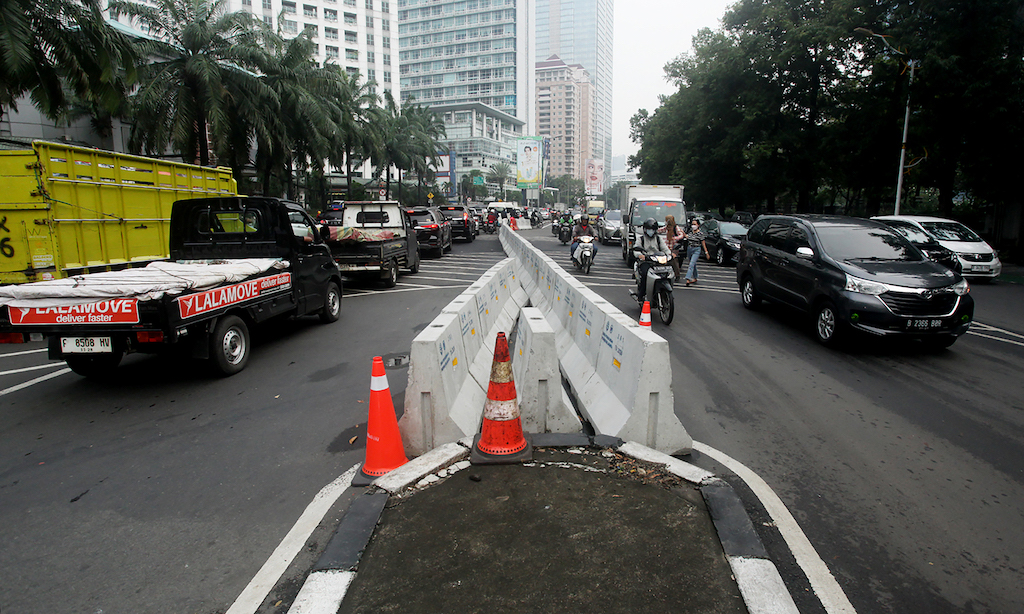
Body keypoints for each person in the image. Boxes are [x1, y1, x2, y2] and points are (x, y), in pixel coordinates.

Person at [632, 218, 670, 302]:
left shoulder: (658, 239)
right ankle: (641, 295)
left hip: (657, 261)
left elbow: (665, 249)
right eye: (649, 229)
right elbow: (636, 249)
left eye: (652, 229)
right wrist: (640, 255)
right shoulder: (641, 239)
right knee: (645, 275)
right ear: (645, 229)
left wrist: (670, 255)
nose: (651, 231)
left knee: (667, 272)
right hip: (646, 261)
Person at [682, 217, 710, 286]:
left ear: (698, 225)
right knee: (692, 264)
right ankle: (695, 277)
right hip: (690, 249)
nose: (693, 226)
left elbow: (703, 243)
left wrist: (706, 253)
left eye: (694, 224)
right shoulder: (691, 232)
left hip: (696, 249)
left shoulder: (700, 234)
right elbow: (687, 237)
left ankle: (688, 278)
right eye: (692, 224)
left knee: (691, 264)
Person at [662, 214, 684, 282]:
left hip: (673, 247)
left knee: (673, 261)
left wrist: (674, 238)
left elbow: (681, 235)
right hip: (667, 246)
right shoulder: (666, 227)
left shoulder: (675, 227)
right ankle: (666, 274)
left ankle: (677, 275)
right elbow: (660, 230)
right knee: (665, 260)